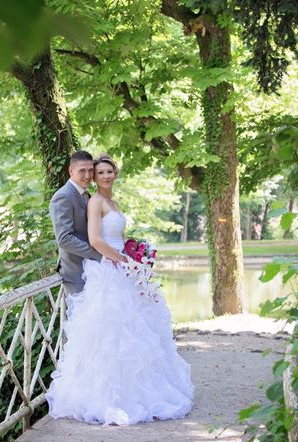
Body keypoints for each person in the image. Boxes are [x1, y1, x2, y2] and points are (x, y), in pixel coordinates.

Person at [46, 154, 194, 426]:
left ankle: (139, 389)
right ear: (71, 170)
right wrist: (114, 257)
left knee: (134, 332)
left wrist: (134, 255)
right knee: (104, 335)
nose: (95, 176)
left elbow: (113, 234)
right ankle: (105, 397)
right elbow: (76, 238)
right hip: (95, 268)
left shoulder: (97, 197)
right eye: (90, 171)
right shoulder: (74, 198)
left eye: (101, 171)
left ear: (114, 173)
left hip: (115, 266)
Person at [49, 150, 102, 296]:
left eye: (91, 170)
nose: (87, 175)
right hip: (76, 272)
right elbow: (64, 239)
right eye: (82, 171)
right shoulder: (63, 196)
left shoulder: (86, 194)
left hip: (92, 269)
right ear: (71, 170)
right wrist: (99, 254)